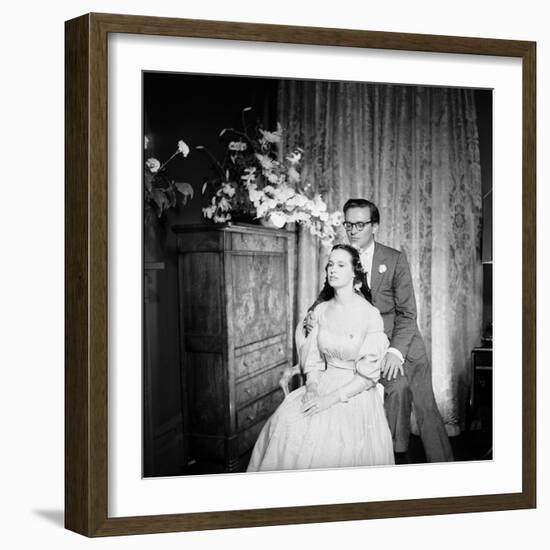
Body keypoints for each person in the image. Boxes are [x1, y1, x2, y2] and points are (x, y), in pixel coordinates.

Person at [307, 198, 453, 463]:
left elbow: (408, 313)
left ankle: (445, 469)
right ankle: (392, 454)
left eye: (360, 224)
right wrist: (311, 312)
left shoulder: (394, 259)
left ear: (374, 226)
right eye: (348, 224)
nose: (353, 230)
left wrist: (395, 352)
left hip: (402, 341)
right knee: (395, 390)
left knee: (422, 403)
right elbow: (328, 293)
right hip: (364, 344)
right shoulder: (343, 257)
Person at [247, 244, 394, 472]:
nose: (332, 270)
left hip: (355, 390)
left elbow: (368, 376)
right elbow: (313, 360)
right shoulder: (321, 311)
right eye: (330, 264)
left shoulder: (370, 315)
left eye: (341, 265)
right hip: (323, 381)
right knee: (287, 423)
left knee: (336, 443)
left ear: (355, 272)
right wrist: (313, 387)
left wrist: (329, 399)